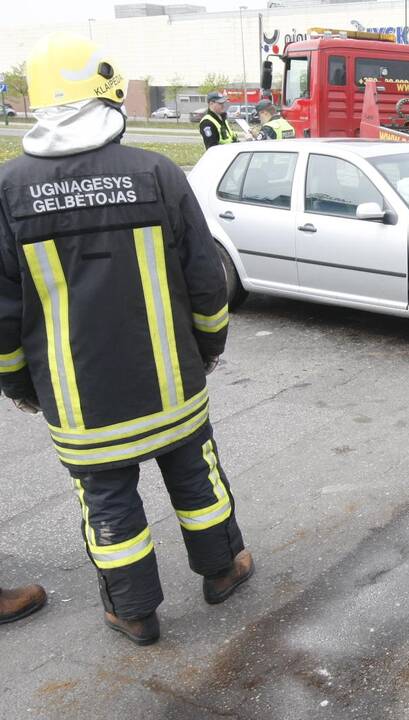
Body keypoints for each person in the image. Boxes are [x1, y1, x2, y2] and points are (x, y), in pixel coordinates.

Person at [0, 32, 253, 646]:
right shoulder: (157, 172)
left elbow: (4, 312)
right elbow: (206, 281)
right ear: (109, 97)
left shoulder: (9, 190)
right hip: (172, 384)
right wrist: (207, 350)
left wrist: (20, 385)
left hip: (80, 402)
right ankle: (223, 570)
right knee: (196, 476)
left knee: (108, 502)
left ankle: (134, 613)